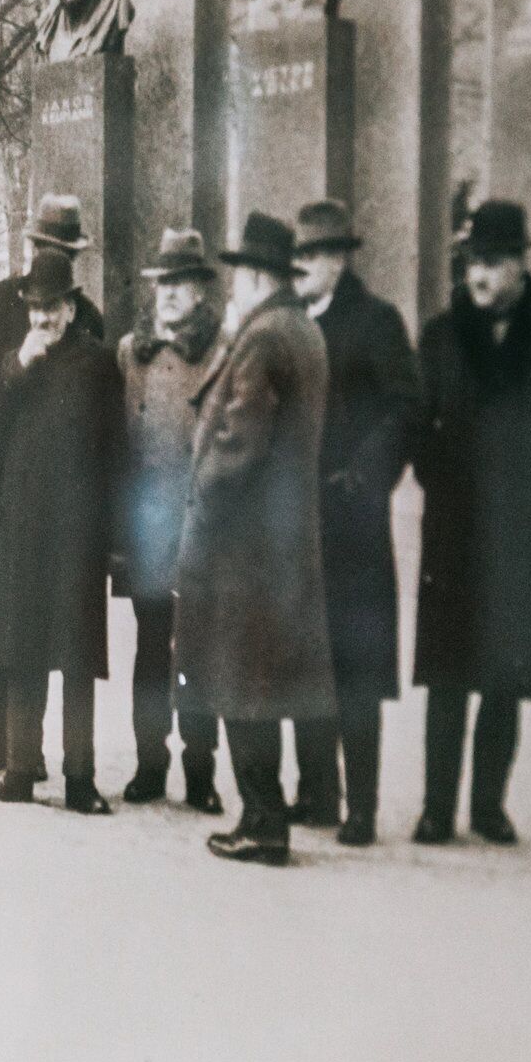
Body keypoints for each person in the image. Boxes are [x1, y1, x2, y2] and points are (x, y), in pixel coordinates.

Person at [411, 199, 531, 846]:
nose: (480, 277)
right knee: (447, 674)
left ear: (520, 264)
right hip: (455, 528)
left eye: (493, 263)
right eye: (472, 264)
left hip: (522, 530)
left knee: (505, 675)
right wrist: (444, 484)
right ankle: (436, 808)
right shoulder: (438, 336)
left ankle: (488, 805)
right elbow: (418, 425)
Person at [182, 214, 339, 865]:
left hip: (242, 549)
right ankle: (265, 816)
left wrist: (202, 495)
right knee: (263, 681)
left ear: (252, 276)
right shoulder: (303, 330)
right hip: (285, 542)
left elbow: (238, 442)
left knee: (241, 681)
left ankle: (262, 822)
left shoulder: (263, 337)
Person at [0, 195, 107, 774]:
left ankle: (49, 755)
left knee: (56, 623)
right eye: (46, 248)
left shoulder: (87, 317)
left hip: (61, 493)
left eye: (65, 251)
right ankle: (0, 737)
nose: (53, 257)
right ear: (29, 248)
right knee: (0, 618)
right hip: (1, 487)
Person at [289, 198, 419, 846]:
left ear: (340, 259)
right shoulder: (286, 324)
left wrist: (364, 478)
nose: (301, 267)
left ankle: (361, 803)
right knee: (305, 659)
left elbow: (403, 410)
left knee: (357, 665)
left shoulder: (376, 323)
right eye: (296, 256)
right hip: (296, 522)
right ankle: (316, 792)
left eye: (311, 255)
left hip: (354, 523)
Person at [0, 252, 126, 810]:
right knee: (22, 649)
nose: (43, 318)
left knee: (78, 656)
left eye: (53, 307)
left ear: (71, 308)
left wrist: (114, 536)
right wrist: (18, 367)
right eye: (35, 308)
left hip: (78, 533)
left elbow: (117, 453)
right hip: (21, 530)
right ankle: (19, 769)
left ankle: (80, 779)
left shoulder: (98, 364)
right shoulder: (12, 362)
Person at [118, 231, 228, 809]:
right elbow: (119, 446)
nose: (167, 295)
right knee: (150, 647)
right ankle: (148, 764)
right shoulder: (131, 355)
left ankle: (201, 774)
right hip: (149, 528)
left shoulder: (221, 352)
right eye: (161, 284)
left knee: (200, 653)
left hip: (204, 525)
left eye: (179, 285)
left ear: (198, 292)